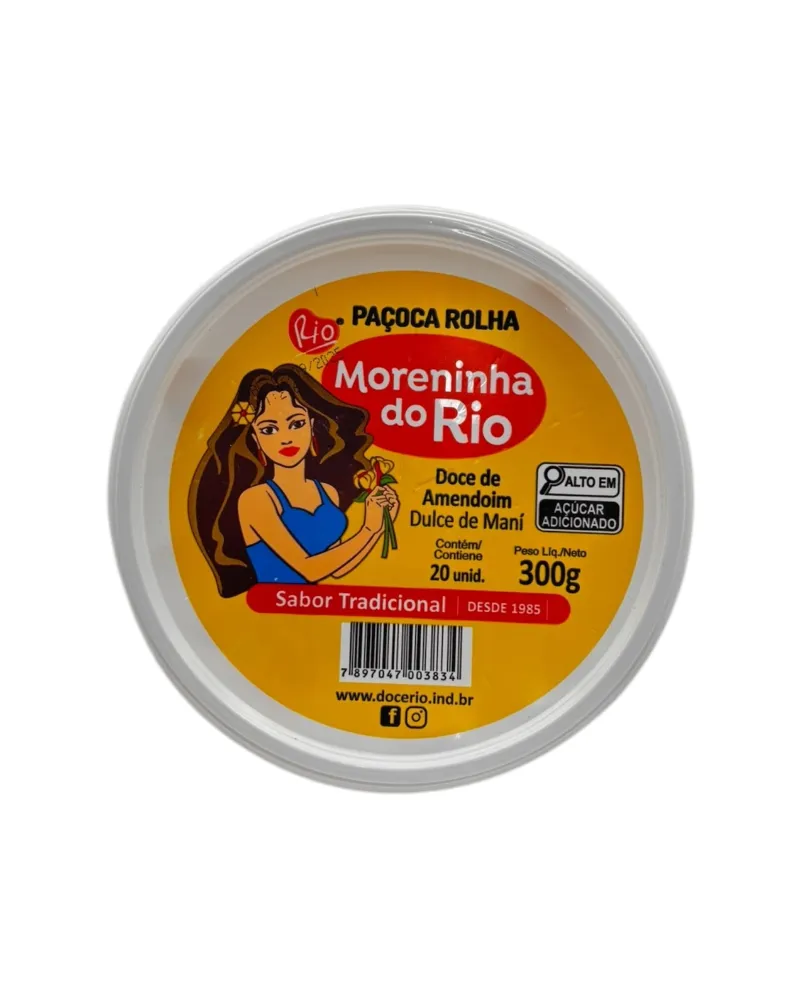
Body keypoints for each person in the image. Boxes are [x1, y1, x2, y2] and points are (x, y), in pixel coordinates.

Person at [189, 364, 399, 597]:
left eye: (296, 424)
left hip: (310, 609)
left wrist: (377, 527)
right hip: (272, 612)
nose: (286, 438)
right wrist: (367, 530)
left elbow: (339, 569)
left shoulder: (327, 492)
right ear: (255, 439)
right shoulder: (256, 499)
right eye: (269, 429)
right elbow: (309, 569)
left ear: (312, 427)